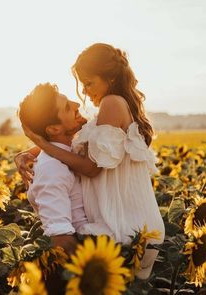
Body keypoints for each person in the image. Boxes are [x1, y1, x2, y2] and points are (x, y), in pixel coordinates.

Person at [16, 43, 165, 279]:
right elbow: (74, 139)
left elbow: (92, 168)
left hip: (123, 226)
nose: (84, 91)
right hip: (124, 224)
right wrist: (33, 151)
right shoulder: (112, 108)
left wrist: (44, 146)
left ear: (111, 77)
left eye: (89, 82)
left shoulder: (112, 103)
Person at [18, 82, 89, 255]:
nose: (77, 104)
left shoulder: (71, 152)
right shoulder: (51, 168)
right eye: (66, 107)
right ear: (54, 128)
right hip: (88, 252)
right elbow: (61, 239)